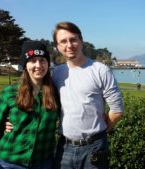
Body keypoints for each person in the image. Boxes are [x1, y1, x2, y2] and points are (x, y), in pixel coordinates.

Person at [52, 21, 124, 169]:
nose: (69, 45)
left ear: (81, 41)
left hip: (95, 147)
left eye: (73, 39)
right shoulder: (56, 74)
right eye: (63, 41)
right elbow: (41, 103)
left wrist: (98, 132)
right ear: (58, 46)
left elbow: (117, 110)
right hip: (64, 148)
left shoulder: (100, 70)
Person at [0, 41, 59, 169]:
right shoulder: (10, 92)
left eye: (42, 60)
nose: (38, 65)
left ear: (47, 63)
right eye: (33, 61)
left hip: (43, 162)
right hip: (8, 162)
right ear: (25, 65)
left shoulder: (56, 94)